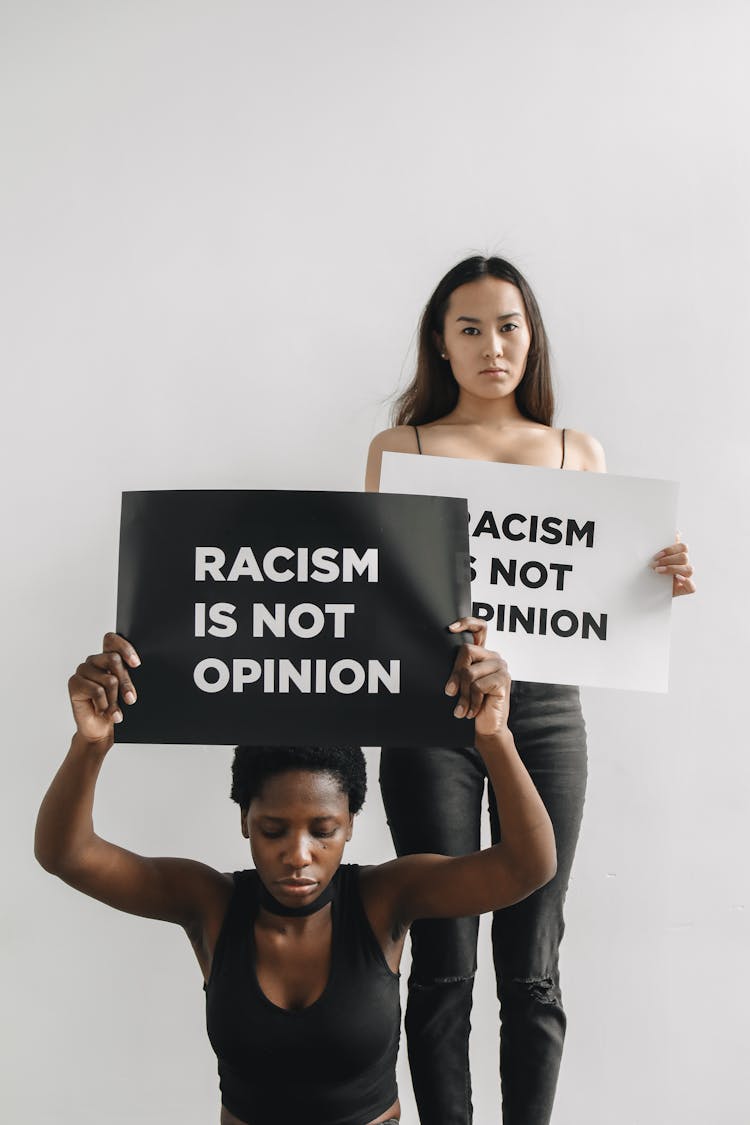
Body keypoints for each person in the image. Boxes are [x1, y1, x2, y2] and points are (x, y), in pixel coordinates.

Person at [365, 255, 695, 1125]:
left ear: (532, 335)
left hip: (545, 715)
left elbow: (599, 589)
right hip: (429, 715)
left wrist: (656, 577)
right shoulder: (403, 450)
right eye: (468, 327)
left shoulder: (574, 453)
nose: (491, 344)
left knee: (534, 951)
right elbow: (375, 591)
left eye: (507, 325)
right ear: (440, 343)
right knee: (443, 949)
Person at [35, 619, 556, 1125]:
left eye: (322, 830)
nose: (298, 854)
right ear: (244, 821)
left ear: (351, 823)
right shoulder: (209, 904)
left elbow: (527, 867)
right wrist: (90, 745)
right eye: (274, 830)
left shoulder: (384, 898)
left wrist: (494, 740)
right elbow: (68, 854)